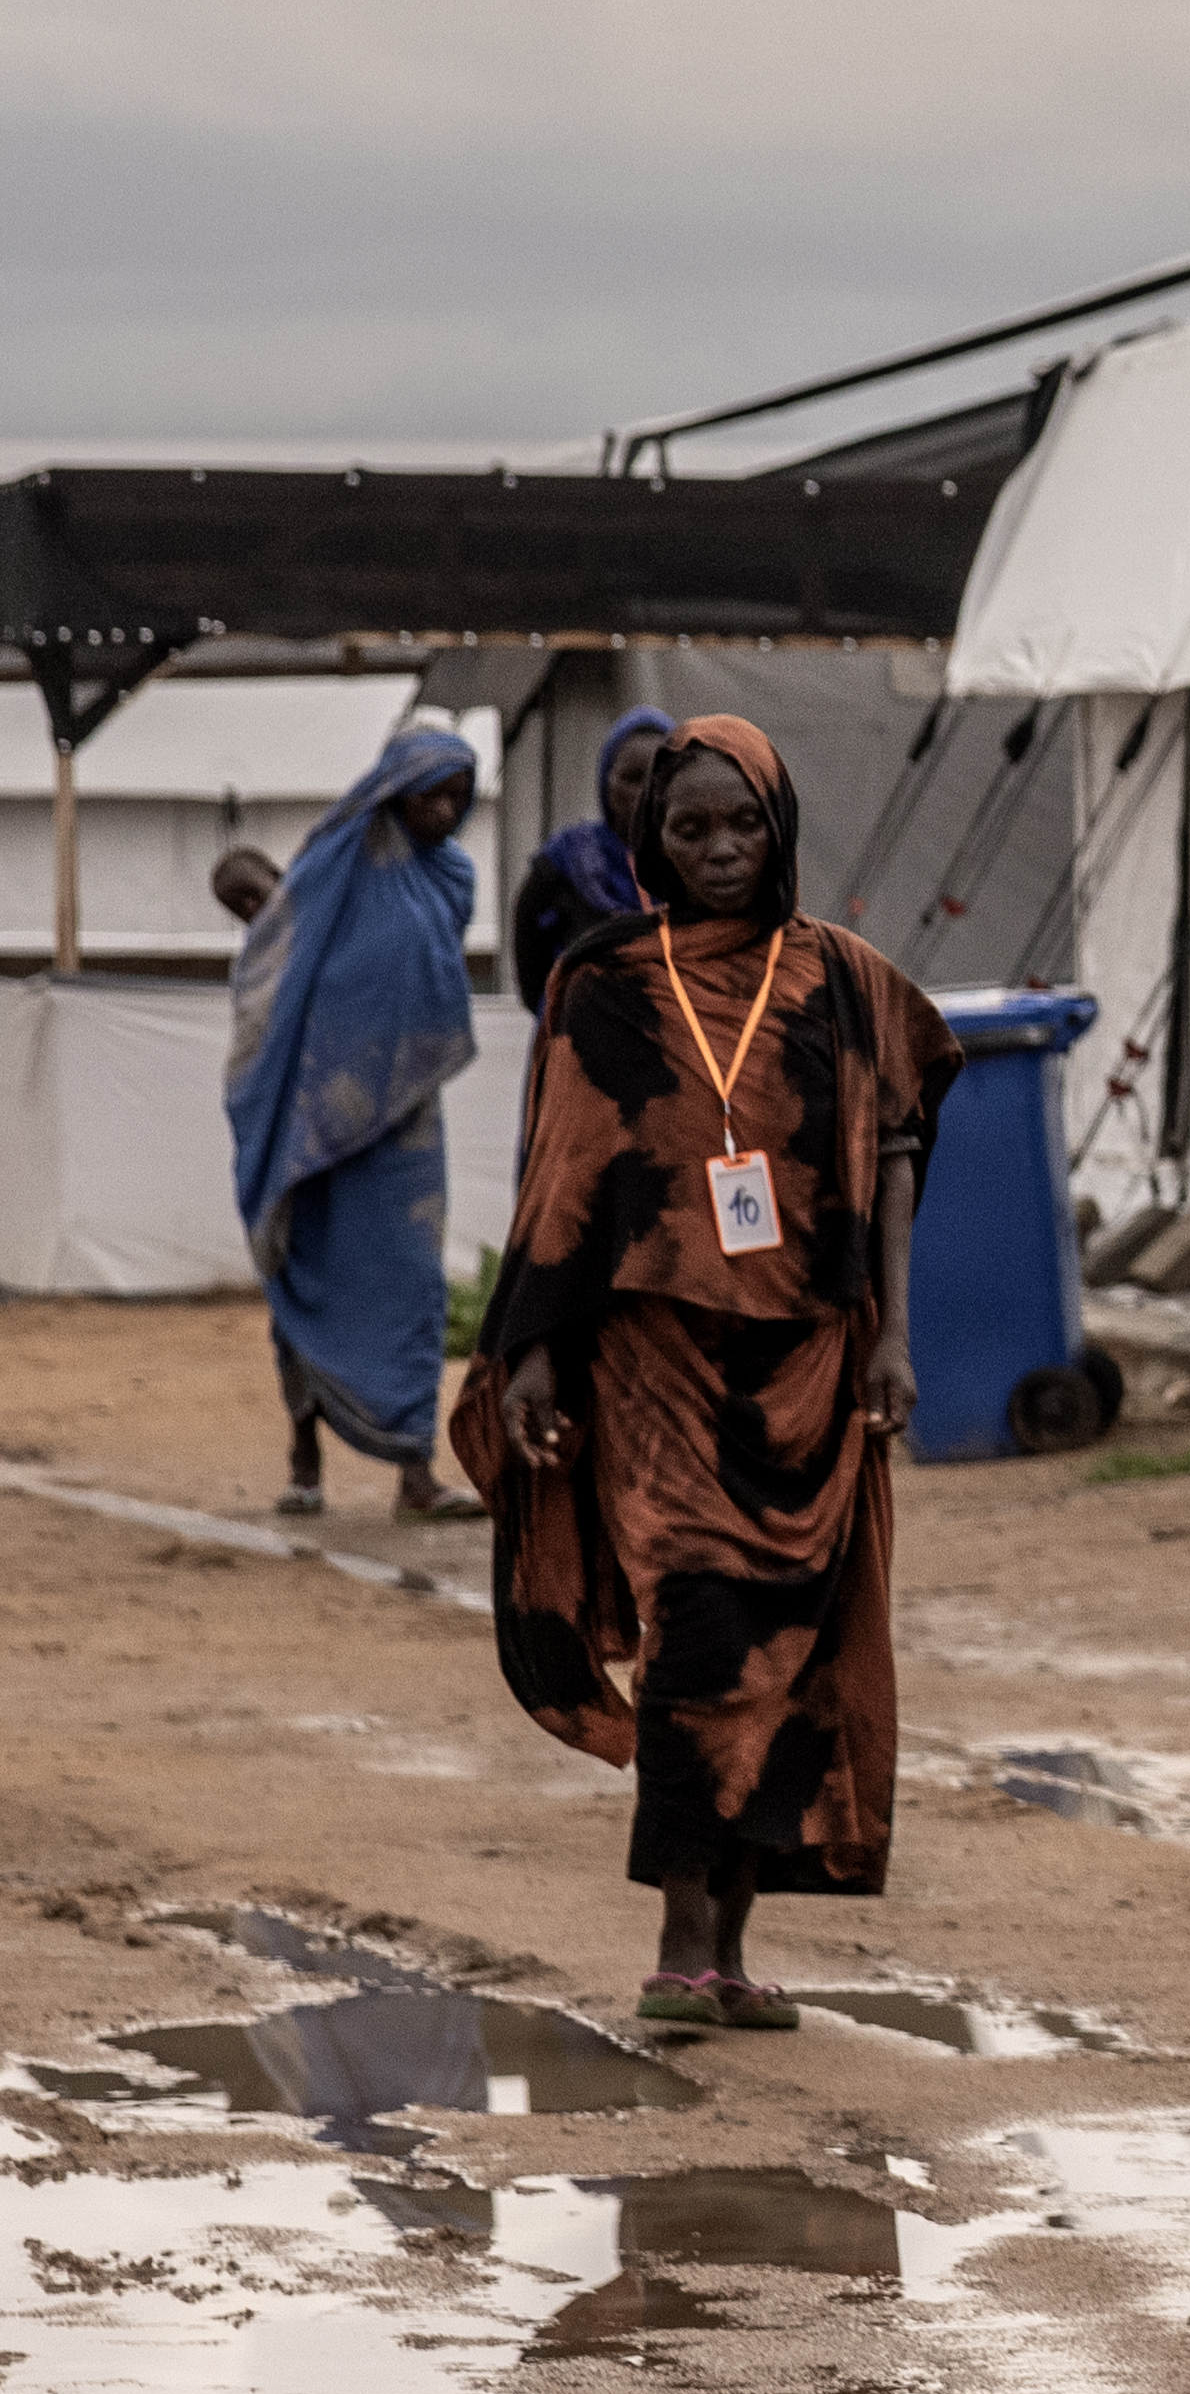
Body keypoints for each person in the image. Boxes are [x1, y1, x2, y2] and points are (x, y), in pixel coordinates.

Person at [467, 721, 961, 2024]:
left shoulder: (846, 981)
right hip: (655, 1362)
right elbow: (560, 1171)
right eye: (693, 829)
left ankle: (733, 1953)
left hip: (809, 1365)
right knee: (700, 1632)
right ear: (650, 841)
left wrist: (895, 1333)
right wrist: (528, 1350)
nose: (723, 850)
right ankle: (682, 1944)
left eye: (744, 825)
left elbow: (896, 1145)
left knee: (796, 1653)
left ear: (783, 827)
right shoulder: (605, 978)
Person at [225, 720, 480, 1525]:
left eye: (456, 796)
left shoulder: (452, 877)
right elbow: (275, 956)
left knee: (413, 1287)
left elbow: (423, 985)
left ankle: (416, 1472)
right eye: (430, 793)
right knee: (305, 1279)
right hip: (317, 1119)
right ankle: (305, 1461)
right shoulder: (333, 861)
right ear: (394, 793)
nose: (444, 809)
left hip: (403, 1125)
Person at [507, 707, 681, 1009]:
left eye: (658, 777)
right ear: (606, 781)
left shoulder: (692, 863)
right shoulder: (565, 861)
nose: (644, 793)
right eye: (631, 778)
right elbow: (531, 965)